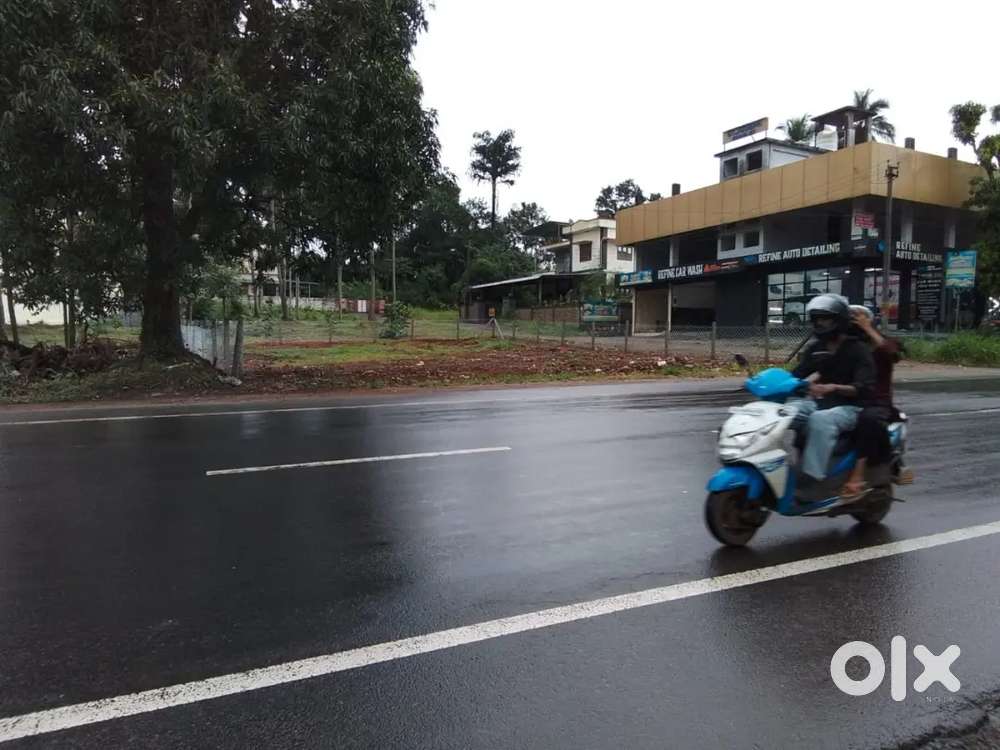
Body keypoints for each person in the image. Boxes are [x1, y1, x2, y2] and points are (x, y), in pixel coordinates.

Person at [790, 294, 876, 483]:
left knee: (820, 420)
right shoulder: (816, 348)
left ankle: (812, 478)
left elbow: (864, 388)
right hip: (821, 402)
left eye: (825, 318)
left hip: (852, 408)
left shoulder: (858, 350)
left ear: (839, 320)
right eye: (816, 319)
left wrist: (833, 387)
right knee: (785, 412)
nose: (820, 323)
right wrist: (772, 382)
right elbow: (797, 374)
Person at [841, 305, 912, 497]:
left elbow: (893, 354)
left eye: (858, 318)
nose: (854, 321)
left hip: (877, 403)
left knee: (867, 421)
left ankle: (856, 478)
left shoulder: (881, 344)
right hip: (848, 398)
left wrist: (868, 328)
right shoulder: (847, 344)